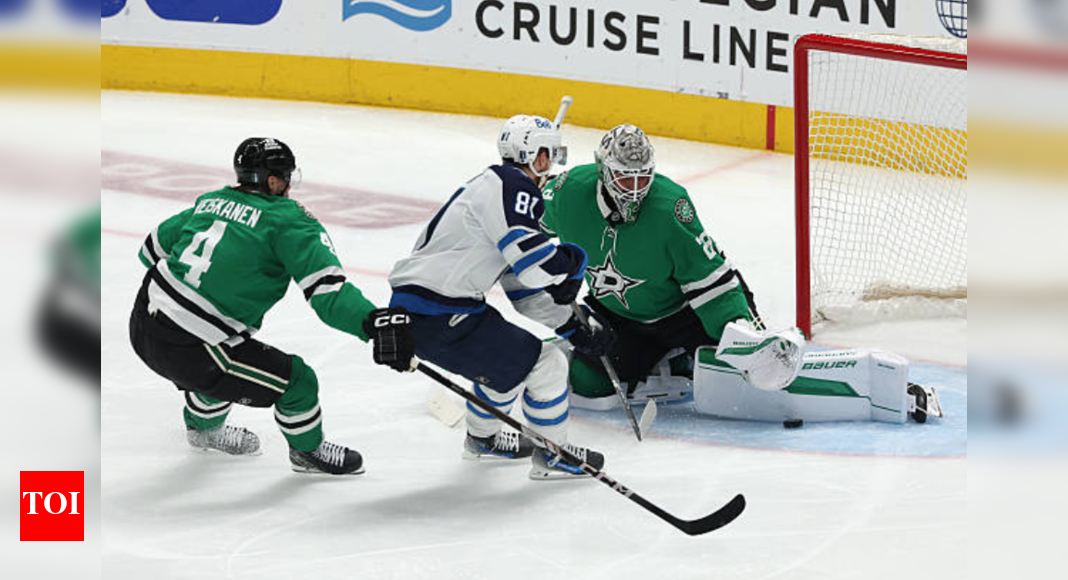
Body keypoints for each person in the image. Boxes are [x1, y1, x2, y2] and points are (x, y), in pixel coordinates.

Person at [541, 125, 942, 424]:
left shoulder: (669, 207)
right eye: (624, 178)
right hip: (620, 317)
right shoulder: (571, 191)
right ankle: (671, 360)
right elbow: (521, 219)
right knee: (588, 386)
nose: (634, 188)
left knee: (757, 373)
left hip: (685, 314)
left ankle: (873, 390)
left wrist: (744, 336)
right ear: (602, 170)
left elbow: (711, 282)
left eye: (642, 177)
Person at [129, 137, 416, 475]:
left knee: (230, 354)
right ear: (273, 181)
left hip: (142, 323)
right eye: (286, 177)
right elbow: (328, 295)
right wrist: (372, 323)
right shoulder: (290, 221)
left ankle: (203, 426)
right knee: (298, 382)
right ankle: (308, 452)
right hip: (194, 350)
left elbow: (148, 251)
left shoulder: (211, 201)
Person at [387, 115, 614, 479]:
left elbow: (523, 287)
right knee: (548, 364)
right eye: (549, 156)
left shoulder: (492, 189)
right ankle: (554, 454)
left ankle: (483, 440)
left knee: (508, 362)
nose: (550, 165)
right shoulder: (513, 186)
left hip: (431, 311)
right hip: (442, 314)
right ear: (537, 157)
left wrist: (572, 323)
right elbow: (534, 264)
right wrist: (573, 262)